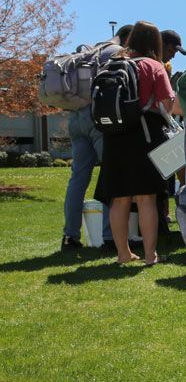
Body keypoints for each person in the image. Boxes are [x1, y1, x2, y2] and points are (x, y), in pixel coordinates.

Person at [92, 21, 175, 266]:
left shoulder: (112, 63)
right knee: (147, 197)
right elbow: (167, 103)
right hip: (145, 135)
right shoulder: (153, 66)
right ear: (155, 43)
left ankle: (123, 254)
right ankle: (150, 254)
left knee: (119, 198)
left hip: (114, 136)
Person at [60, 25, 131, 251]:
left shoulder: (90, 50)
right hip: (98, 119)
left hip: (75, 118)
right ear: (127, 38)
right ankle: (109, 237)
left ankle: (70, 236)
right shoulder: (116, 52)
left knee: (78, 179)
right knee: (110, 176)